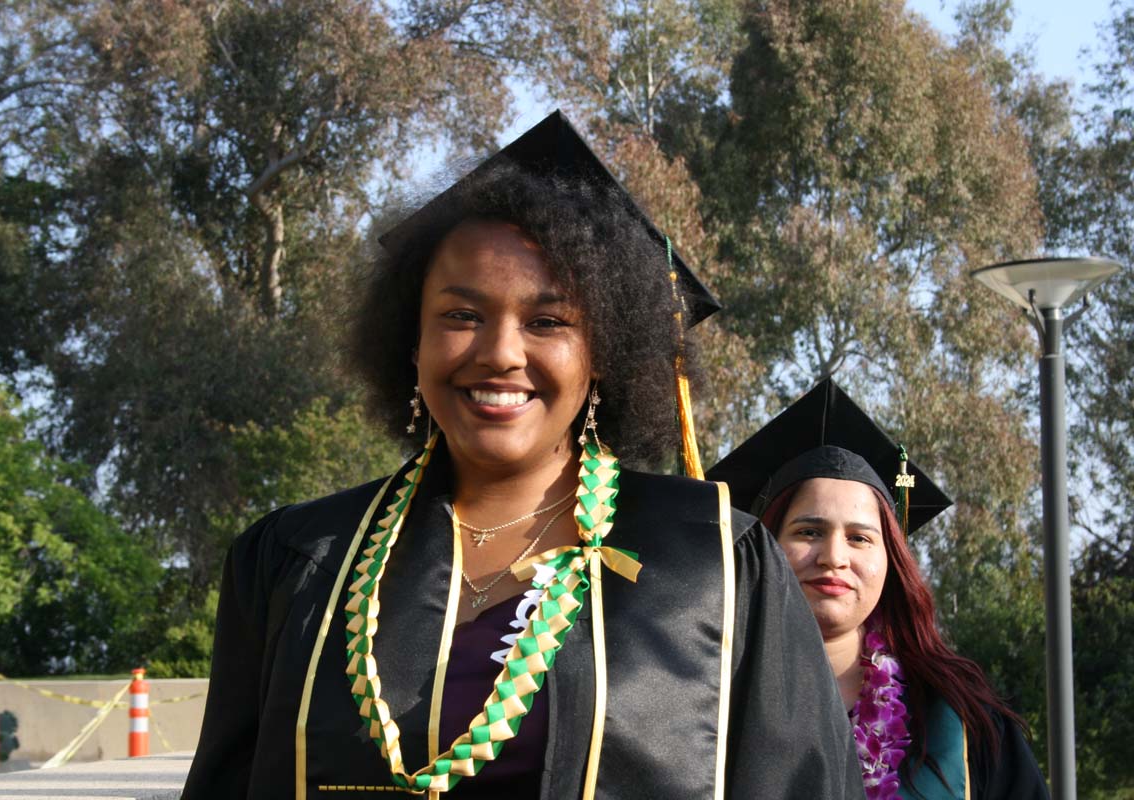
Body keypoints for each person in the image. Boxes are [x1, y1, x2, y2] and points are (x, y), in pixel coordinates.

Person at [181, 111, 863, 800]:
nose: (501, 353)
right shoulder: (300, 561)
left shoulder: (713, 561)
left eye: (548, 322)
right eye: (460, 316)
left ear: (603, 355)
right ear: (411, 345)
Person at [708, 378, 1049, 800]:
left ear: (891, 561)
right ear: (765, 548)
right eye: (809, 530)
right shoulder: (708, 698)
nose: (834, 556)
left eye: (859, 538)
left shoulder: (961, 722)